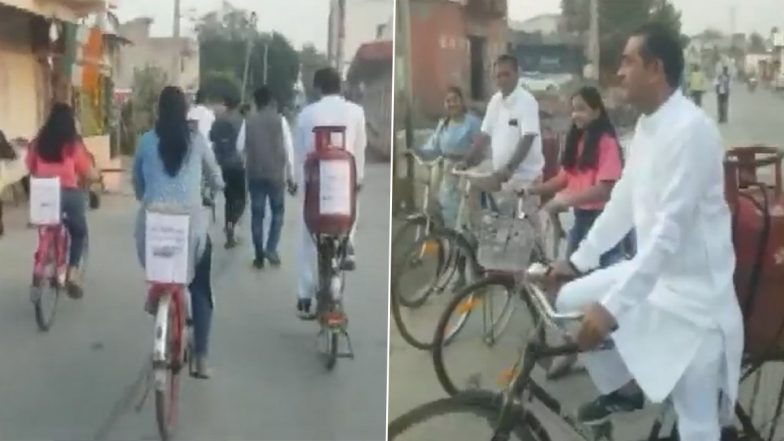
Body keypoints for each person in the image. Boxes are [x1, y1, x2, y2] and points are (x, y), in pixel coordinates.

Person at [547, 23, 743, 441]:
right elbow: (622, 203)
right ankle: (627, 388)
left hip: (696, 299)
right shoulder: (647, 127)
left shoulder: (692, 131)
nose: (619, 72)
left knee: (697, 423)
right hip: (654, 277)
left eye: (627, 61)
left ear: (655, 69)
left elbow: (668, 235)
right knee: (569, 298)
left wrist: (613, 307)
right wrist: (577, 261)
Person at [526, 86, 628, 379]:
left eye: (582, 108)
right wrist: (538, 190)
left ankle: (615, 358)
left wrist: (566, 200)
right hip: (581, 222)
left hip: (604, 225)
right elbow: (565, 178)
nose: (576, 114)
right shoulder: (578, 139)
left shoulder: (606, 142)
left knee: (605, 296)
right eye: (573, 109)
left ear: (597, 111)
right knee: (564, 288)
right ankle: (572, 347)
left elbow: (606, 188)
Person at [133, 86, 225, 378]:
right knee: (199, 287)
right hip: (190, 230)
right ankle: (201, 358)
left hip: (152, 228)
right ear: (186, 111)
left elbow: (138, 183)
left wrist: (149, 196)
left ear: (158, 110)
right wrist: (214, 187)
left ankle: (157, 290)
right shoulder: (196, 141)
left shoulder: (146, 142)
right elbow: (216, 177)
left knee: (157, 249)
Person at [294, 67, 367, 319]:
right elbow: (359, 151)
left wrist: (296, 182)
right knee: (352, 207)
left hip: (315, 190)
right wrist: (360, 179)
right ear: (342, 86)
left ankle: (304, 294)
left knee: (305, 238)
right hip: (344, 188)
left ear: (317, 88)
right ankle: (349, 247)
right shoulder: (356, 112)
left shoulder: (305, 115)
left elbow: (300, 156)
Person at [25, 104, 98, 297]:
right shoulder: (73, 144)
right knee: (79, 232)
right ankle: (73, 272)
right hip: (68, 193)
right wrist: (94, 176)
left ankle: (42, 262)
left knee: (46, 227)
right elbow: (87, 171)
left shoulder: (38, 142)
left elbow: (29, 165)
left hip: (42, 192)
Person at [415, 86, 481, 288]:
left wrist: (468, 163)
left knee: (467, 226)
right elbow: (432, 147)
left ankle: (477, 273)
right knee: (451, 228)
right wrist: (414, 149)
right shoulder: (443, 124)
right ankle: (460, 276)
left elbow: (481, 148)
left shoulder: (473, 123)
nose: (451, 104)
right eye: (448, 101)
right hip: (447, 176)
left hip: (467, 176)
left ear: (462, 101)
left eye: (455, 99)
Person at [465, 54, 545, 216]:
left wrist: (509, 168)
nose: (502, 80)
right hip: (502, 177)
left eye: (506, 74)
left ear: (517, 74)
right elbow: (484, 135)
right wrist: (467, 161)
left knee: (526, 233)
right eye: (498, 76)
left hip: (525, 178)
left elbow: (528, 138)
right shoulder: (495, 101)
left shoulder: (527, 101)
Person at [236, 86, 296, 269]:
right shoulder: (281, 121)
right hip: (276, 175)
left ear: (256, 102)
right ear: (271, 101)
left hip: (255, 175)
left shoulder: (249, 122)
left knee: (257, 215)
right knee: (277, 213)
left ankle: (259, 255)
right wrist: (291, 176)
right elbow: (289, 150)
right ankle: (271, 248)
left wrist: (248, 161)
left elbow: (239, 148)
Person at [209, 93, 246, 248]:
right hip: (238, 164)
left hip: (222, 164)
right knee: (242, 198)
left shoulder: (218, 120)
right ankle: (232, 223)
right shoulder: (241, 120)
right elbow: (244, 141)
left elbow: (211, 137)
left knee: (229, 198)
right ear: (238, 104)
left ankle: (229, 224)